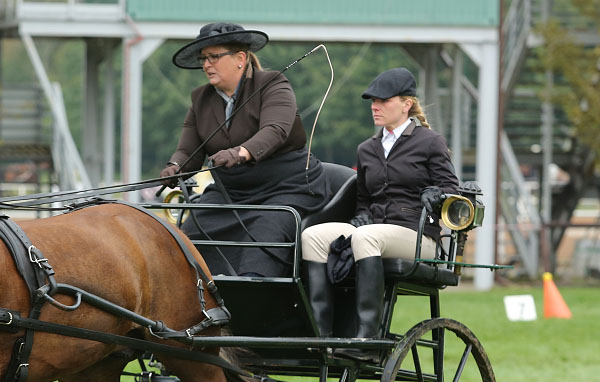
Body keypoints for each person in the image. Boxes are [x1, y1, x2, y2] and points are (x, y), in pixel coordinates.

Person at [300, 67, 459, 360]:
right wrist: (361, 216)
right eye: (373, 101)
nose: (375, 106)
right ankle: (320, 337)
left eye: (383, 101)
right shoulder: (367, 149)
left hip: (418, 236)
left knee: (366, 237)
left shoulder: (429, 142)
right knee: (313, 237)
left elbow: (452, 192)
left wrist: (437, 196)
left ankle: (368, 341)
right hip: (373, 233)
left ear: (406, 104)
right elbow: (363, 200)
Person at [160, 22, 330, 278]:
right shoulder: (200, 99)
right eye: (203, 58)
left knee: (264, 235)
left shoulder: (273, 84)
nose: (206, 65)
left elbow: (276, 130)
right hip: (232, 193)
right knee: (192, 236)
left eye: (214, 57)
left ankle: (254, 301)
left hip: (286, 189)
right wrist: (175, 167)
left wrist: (240, 152)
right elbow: (188, 151)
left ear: (240, 58)